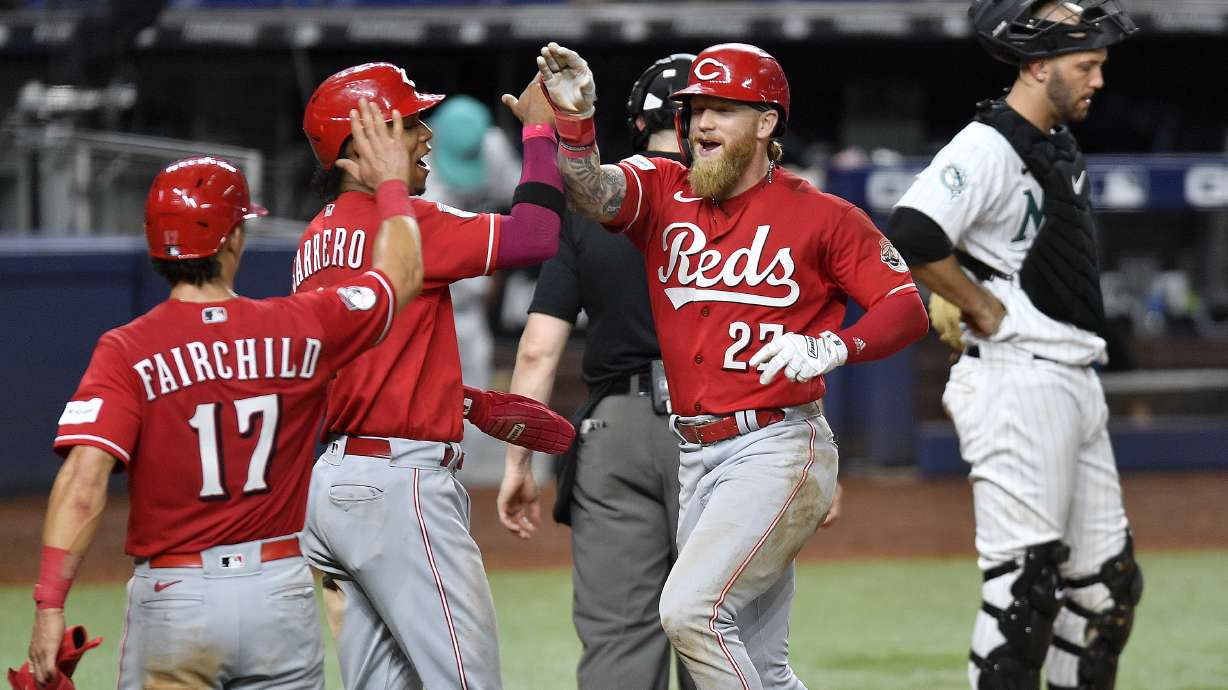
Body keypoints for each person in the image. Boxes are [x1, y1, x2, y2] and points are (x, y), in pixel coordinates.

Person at [533, 41, 930, 689]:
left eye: (722, 109)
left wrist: (838, 346)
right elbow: (590, 193)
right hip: (695, 453)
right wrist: (574, 126)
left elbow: (905, 307)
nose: (701, 124)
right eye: (694, 110)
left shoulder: (822, 215)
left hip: (776, 443)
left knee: (689, 612)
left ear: (766, 122)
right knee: (760, 664)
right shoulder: (663, 190)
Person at [26, 101, 426, 689]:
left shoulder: (126, 350)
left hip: (176, 599)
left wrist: (49, 603)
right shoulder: (303, 325)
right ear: (235, 237)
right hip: (277, 595)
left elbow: (84, 482)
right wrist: (391, 184)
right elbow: (401, 275)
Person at [885, 2, 1142, 688]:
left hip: (1070, 375)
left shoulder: (1051, 139)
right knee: (1024, 592)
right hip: (1016, 378)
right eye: (1085, 66)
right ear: (1037, 65)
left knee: (1105, 594)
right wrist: (974, 300)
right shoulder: (988, 143)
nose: (1098, 80)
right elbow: (911, 231)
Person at [295, 62, 564, 689]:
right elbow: (537, 234)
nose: (425, 135)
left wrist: (453, 397)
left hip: (334, 485)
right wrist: (540, 137)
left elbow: (360, 361)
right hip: (399, 487)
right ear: (362, 145)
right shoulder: (404, 223)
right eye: (408, 123)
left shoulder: (315, 239)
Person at [497, 53, 700, 690]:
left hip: (616, 430)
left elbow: (537, 351)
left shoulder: (594, 210)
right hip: (722, 428)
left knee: (617, 644)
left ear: (639, 125)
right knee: (726, 636)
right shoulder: (745, 206)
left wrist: (518, 463)